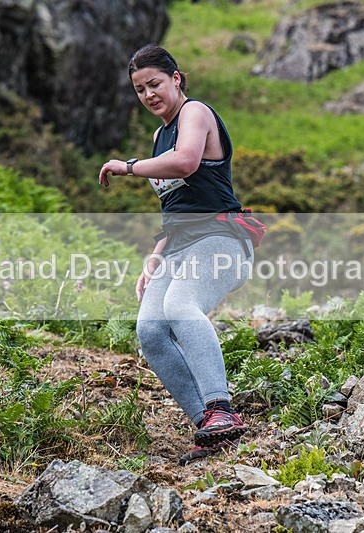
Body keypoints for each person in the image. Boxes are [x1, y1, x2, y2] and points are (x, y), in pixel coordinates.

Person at [98, 43, 253, 465]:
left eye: (155, 84)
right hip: (179, 247)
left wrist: (128, 166)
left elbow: (185, 163)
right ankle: (208, 423)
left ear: (176, 79)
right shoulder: (158, 135)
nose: (149, 95)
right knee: (150, 329)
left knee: (181, 307)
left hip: (222, 241)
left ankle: (222, 407)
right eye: (140, 90)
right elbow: (176, 207)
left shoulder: (195, 113)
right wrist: (154, 258)